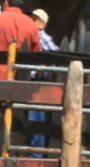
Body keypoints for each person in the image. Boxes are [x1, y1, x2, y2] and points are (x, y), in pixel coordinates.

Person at [0, 0, 40, 155]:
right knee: (16, 117)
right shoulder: (31, 24)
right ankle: (12, 153)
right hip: (19, 81)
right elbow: (37, 54)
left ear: (6, 2)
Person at [28, 8, 59, 155]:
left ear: (42, 23)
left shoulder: (43, 38)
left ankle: (36, 155)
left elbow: (57, 56)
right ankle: (35, 153)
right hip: (32, 82)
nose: (30, 21)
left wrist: (43, 69)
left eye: (33, 19)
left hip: (37, 83)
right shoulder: (32, 35)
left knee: (36, 118)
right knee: (33, 118)